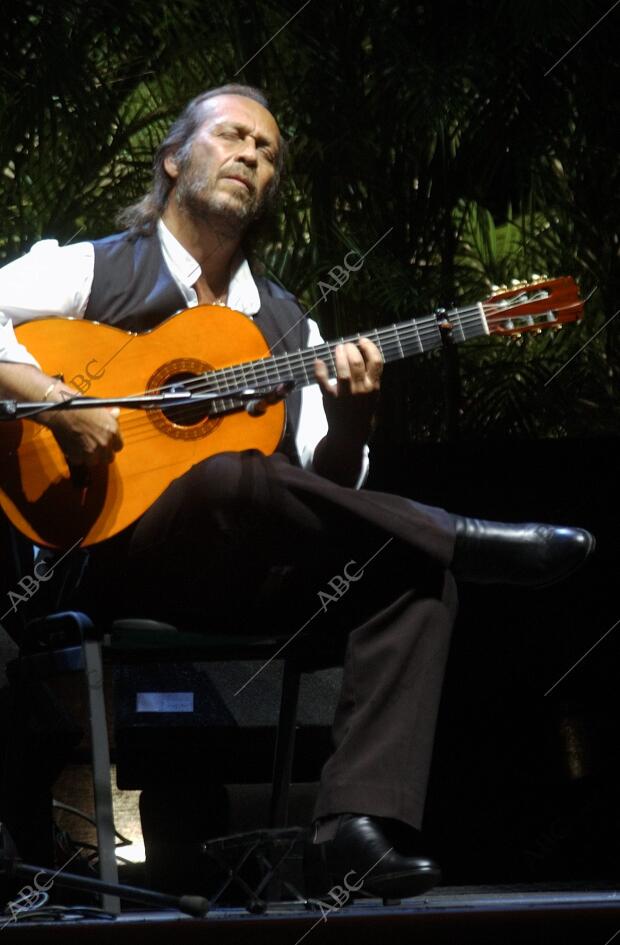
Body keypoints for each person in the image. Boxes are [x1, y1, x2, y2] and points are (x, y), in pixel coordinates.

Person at [0, 84, 594, 900]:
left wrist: (354, 421)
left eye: (269, 150)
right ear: (176, 158)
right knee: (232, 474)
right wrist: (54, 400)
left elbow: (325, 479)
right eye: (234, 136)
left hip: (247, 577)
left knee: (410, 574)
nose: (252, 154)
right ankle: (451, 529)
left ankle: (353, 828)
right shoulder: (91, 267)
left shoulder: (289, 327)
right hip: (108, 551)